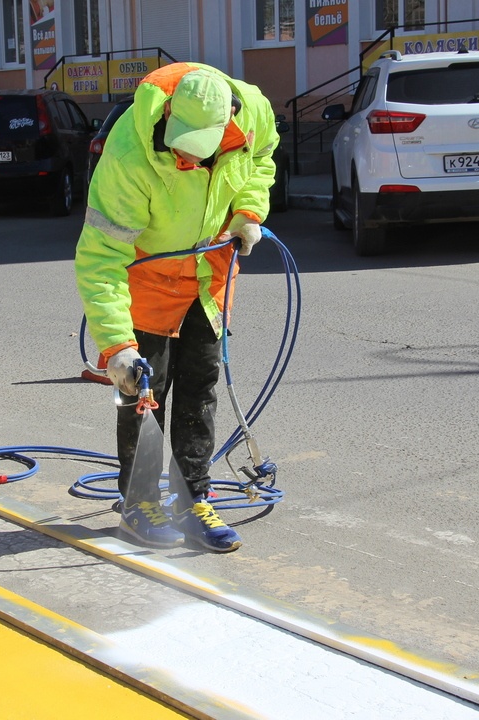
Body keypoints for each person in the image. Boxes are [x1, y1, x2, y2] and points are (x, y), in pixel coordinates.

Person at [74, 62, 279, 553]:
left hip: (208, 274)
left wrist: (248, 211)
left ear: (226, 123)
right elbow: (101, 258)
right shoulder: (128, 156)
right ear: (168, 115)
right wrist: (117, 347)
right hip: (147, 280)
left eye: (196, 152)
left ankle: (192, 498)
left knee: (200, 386)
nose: (183, 158)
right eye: (178, 145)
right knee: (144, 393)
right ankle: (138, 504)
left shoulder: (254, 113)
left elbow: (263, 160)